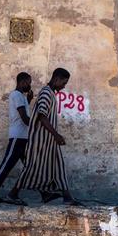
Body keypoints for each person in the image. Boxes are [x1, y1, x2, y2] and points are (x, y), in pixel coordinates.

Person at [7, 68, 81, 206]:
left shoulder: (50, 93)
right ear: (57, 79)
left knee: (57, 166)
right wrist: (56, 135)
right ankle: (13, 193)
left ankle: (63, 196)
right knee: (32, 168)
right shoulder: (46, 93)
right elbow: (42, 116)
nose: (64, 86)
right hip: (41, 140)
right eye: (64, 83)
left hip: (48, 140)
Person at [0, 72, 34, 202]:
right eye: (28, 82)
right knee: (6, 166)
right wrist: (37, 127)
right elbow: (24, 118)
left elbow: (23, 112)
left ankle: (44, 193)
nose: (30, 85)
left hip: (23, 138)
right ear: (22, 82)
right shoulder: (16, 95)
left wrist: (28, 100)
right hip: (17, 137)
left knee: (30, 167)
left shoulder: (22, 97)